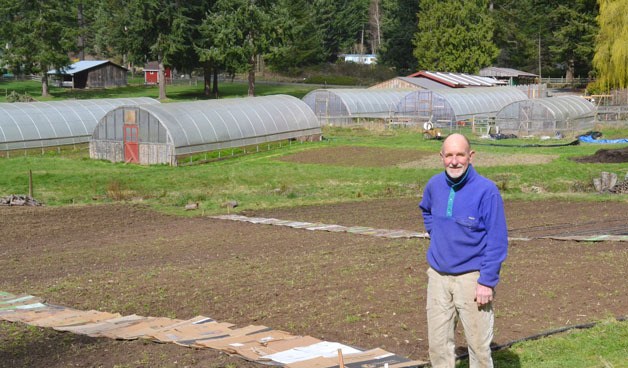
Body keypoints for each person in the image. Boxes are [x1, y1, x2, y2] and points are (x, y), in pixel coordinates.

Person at [419, 133, 508, 368]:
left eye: (460, 155)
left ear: (471, 156)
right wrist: (434, 231)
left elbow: (497, 239)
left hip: (472, 278)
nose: (454, 161)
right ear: (441, 157)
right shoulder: (434, 185)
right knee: (438, 346)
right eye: (449, 155)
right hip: (438, 276)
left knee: (478, 347)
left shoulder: (486, 191)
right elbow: (426, 210)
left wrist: (487, 281)